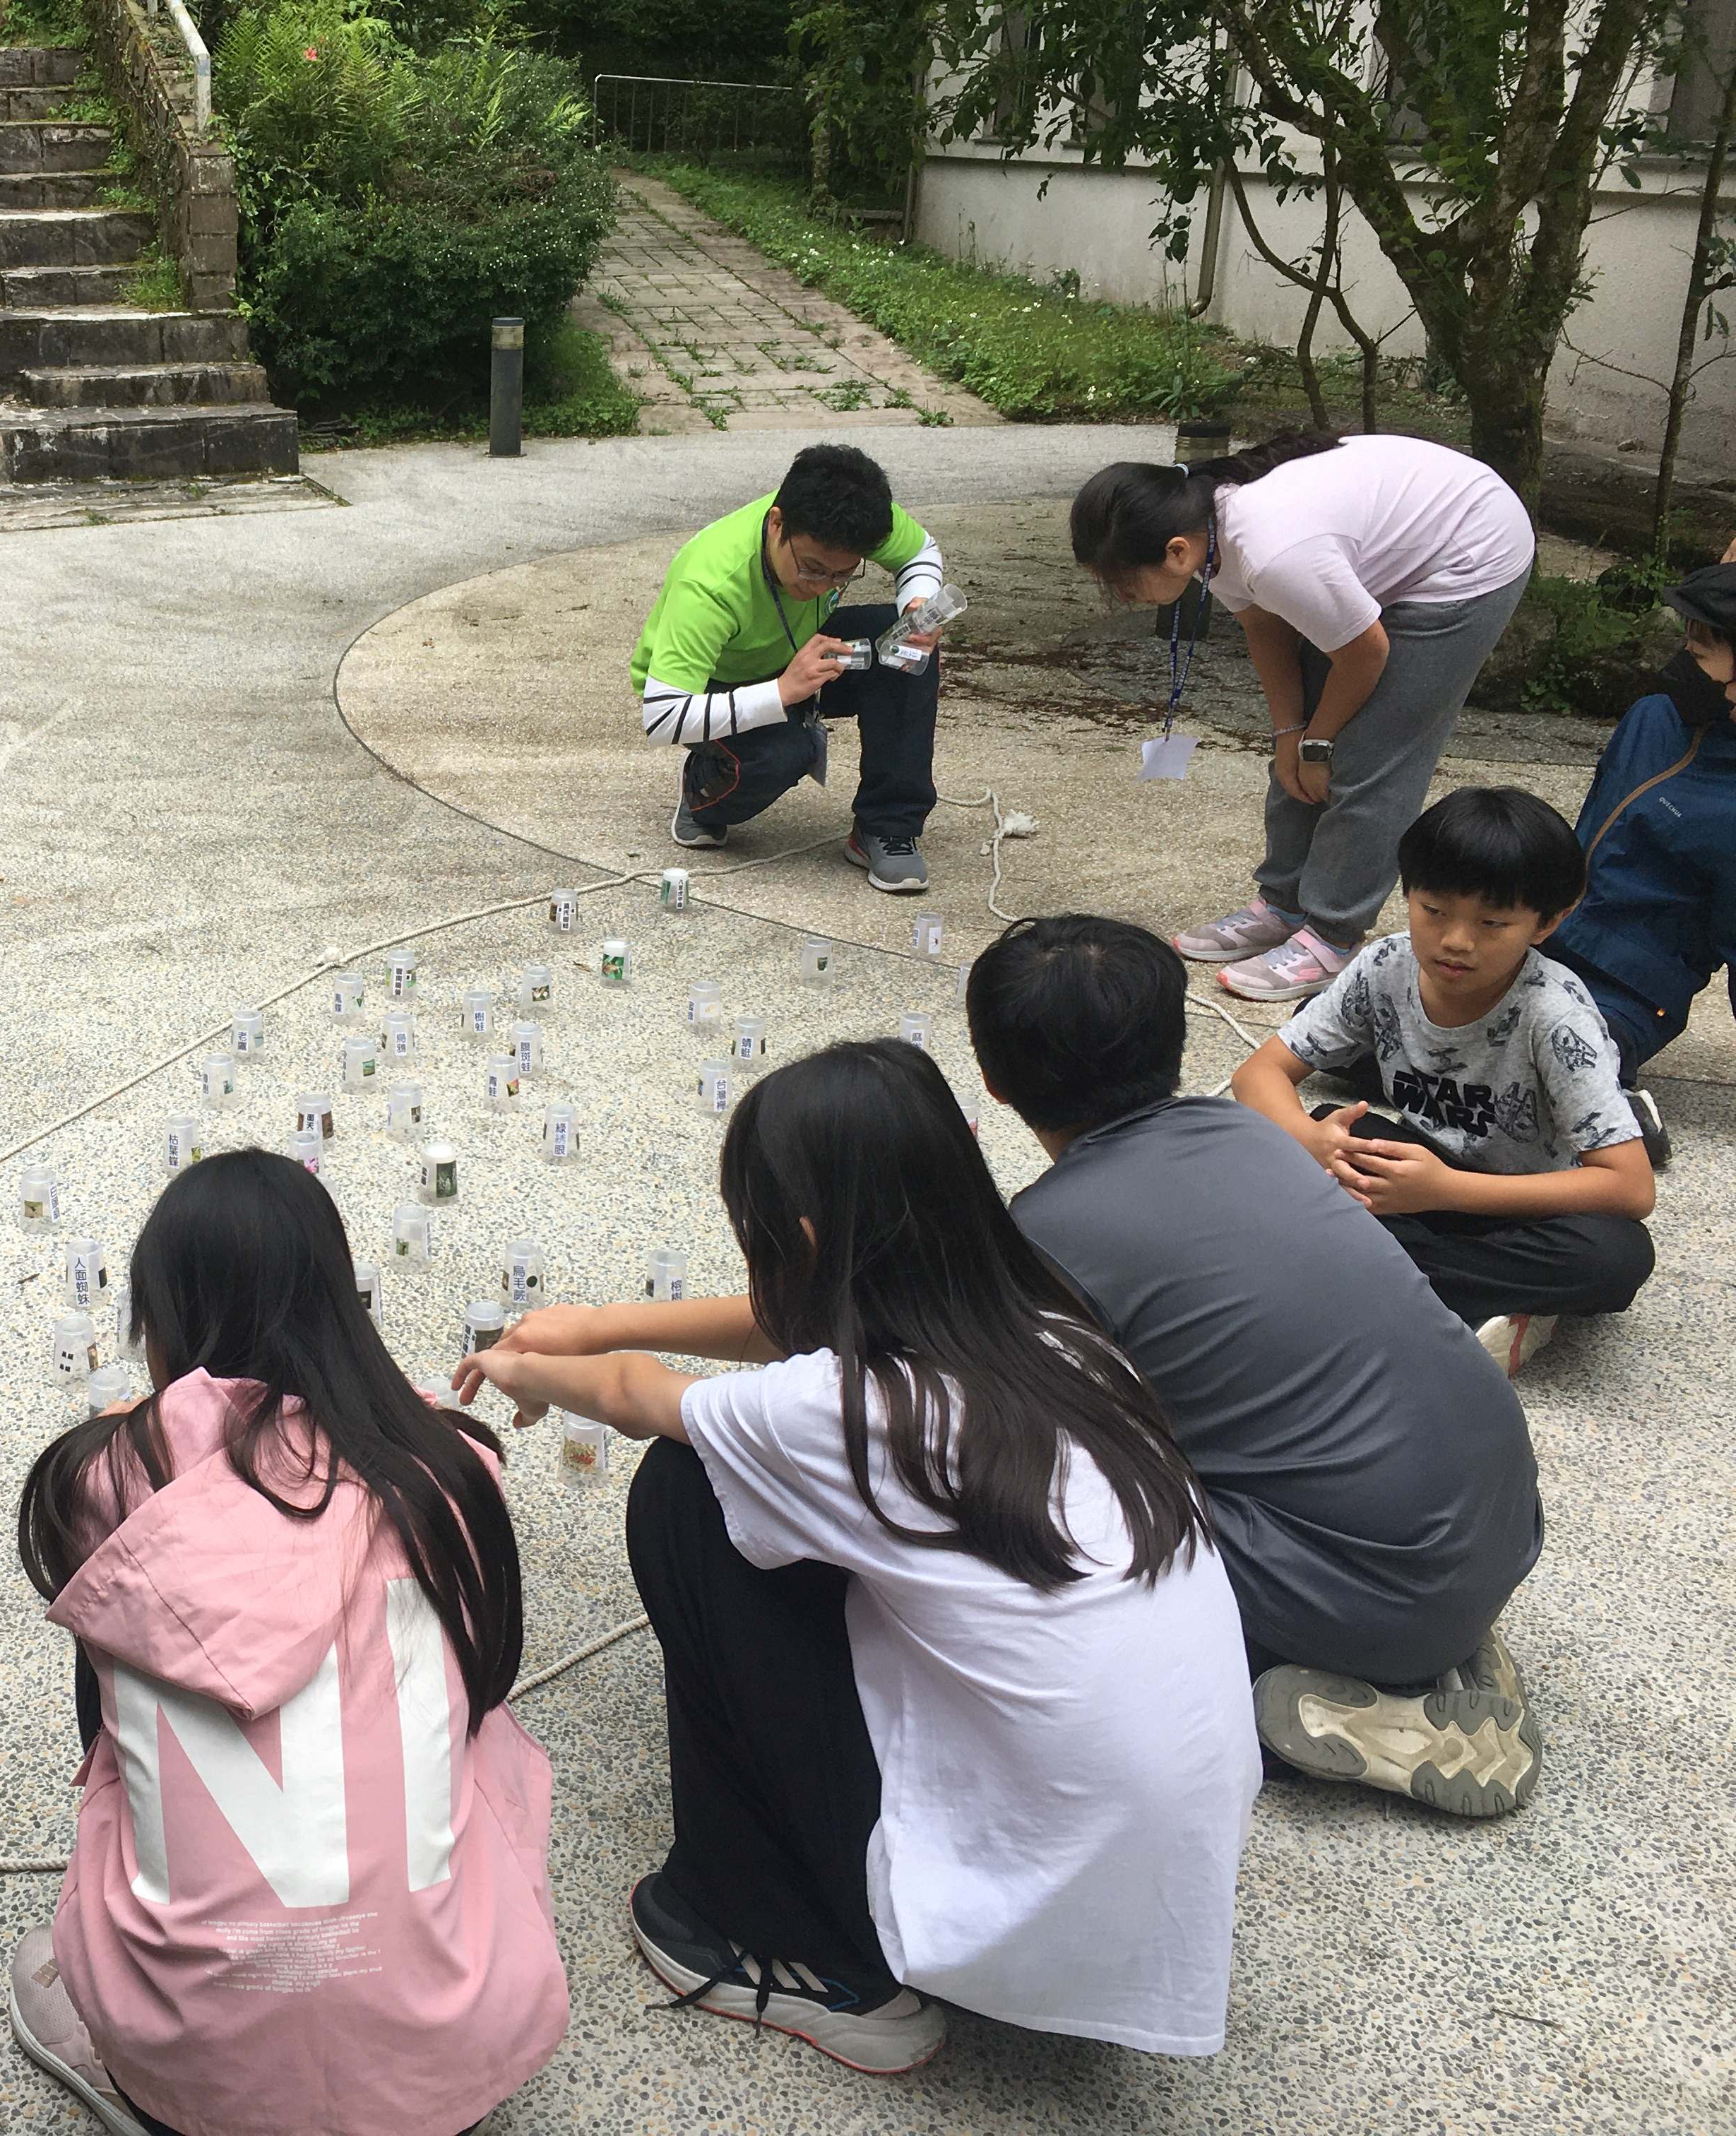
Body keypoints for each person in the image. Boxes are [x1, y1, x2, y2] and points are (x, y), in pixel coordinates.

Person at [468, 1043, 1256, 2069]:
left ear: (797, 1237)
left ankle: (797, 1948)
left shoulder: (848, 1412)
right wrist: (597, 1323)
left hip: (1015, 1898)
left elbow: (635, 1395)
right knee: (752, 1481)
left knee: (688, 1488)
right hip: (1138, 1888)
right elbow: (802, 1325)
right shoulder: (1055, 1331)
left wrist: (522, 1367)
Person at [8, 1150, 566, 2136]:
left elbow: (138, 1483)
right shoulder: (454, 1476)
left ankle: (128, 2039)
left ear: (164, 1327)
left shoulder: (101, 1484)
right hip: (445, 2066)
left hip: (197, 2082)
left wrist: (146, 1428)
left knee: (122, 1608)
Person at [968, 913, 1545, 1815]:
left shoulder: (1044, 1238)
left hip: (1382, 1589)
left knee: (1025, 1519)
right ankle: (1436, 1652)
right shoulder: (1251, 1134)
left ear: (994, 1083)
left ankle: (1378, 1698)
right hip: (1502, 1526)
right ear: (1174, 1042)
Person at [1071, 432, 1534, 1002]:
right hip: (1385, 544)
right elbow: (1265, 628)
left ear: (1175, 552)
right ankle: (1283, 904)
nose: (1120, 596)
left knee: (1368, 759)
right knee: (1299, 752)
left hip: (1469, 550)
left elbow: (1365, 653)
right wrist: (1291, 735)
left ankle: (1334, 935)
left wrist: (1320, 743)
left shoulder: (1272, 550)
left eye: (1120, 582)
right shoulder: (1209, 533)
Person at [1232, 787, 1655, 1375]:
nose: (1457, 940)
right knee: (1327, 1133)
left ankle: (1367, 1274)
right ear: (1407, 893)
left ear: (1549, 922)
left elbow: (1631, 1188)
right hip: (1418, 1174)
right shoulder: (1386, 967)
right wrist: (1309, 1140)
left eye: (1493, 923)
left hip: (1530, 1203)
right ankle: (1481, 1296)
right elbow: (1259, 1072)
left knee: (1615, 1258)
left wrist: (1446, 1190)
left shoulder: (1556, 1017)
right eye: (1434, 911)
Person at [632, 442, 950, 892]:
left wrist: (917, 603)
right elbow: (663, 716)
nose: (823, 586)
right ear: (777, 523)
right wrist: (782, 692)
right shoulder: (709, 583)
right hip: (715, 684)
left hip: (798, 650)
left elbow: (921, 552)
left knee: (906, 649)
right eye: (813, 569)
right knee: (782, 754)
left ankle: (887, 826)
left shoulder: (857, 510)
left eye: (843, 574)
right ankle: (703, 793)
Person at [1546, 558, 1736, 1170]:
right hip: (1545, 936)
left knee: (1550, 1057)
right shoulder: (1653, 717)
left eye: (1699, 654)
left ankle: (1617, 1114)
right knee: (1371, 1033)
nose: (1683, 664)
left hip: (1631, 986)